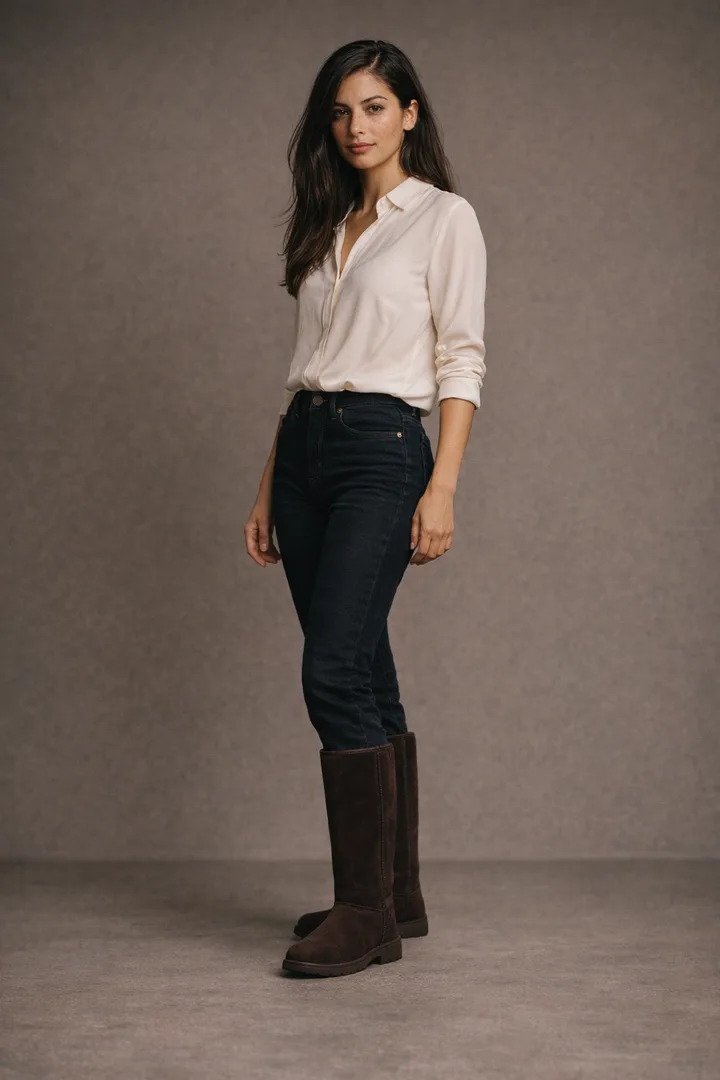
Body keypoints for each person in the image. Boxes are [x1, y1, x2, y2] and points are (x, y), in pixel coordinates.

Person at [244, 39, 487, 978]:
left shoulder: (443, 219)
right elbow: (304, 368)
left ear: (410, 114)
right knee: (366, 664)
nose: (356, 127)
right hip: (305, 449)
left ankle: (363, 914)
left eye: (376, 107)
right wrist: (268, 483)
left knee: (333, 666)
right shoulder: (325, 225)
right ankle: (397, 894)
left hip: (385, 449)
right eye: (342, 112)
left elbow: (461, 358)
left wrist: (444, 485)